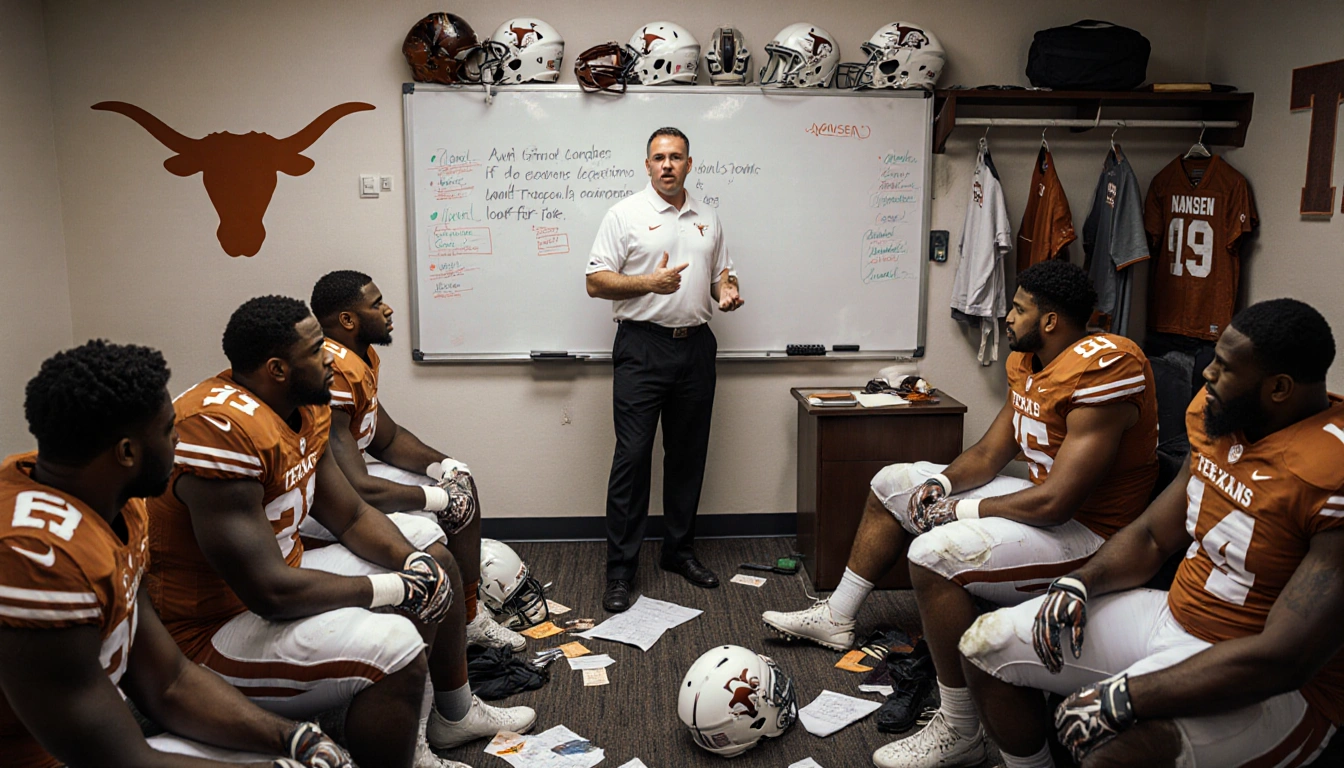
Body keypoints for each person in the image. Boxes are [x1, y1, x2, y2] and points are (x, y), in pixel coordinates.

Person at [761, 260, 1159, 768]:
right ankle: (838, 617)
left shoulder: (1108, 365)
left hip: (1092, 534)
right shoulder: (1032, 362)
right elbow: (990, 454)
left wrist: (961, 509)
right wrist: (941, 485)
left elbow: (1059, 502)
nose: (1009, 318)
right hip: (1042, 505)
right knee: (893, 482)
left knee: (931, 554)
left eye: (1019, 309)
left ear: (1052, 320)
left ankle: (959, 728)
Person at [146, 296, 534, 768]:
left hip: (278, 572)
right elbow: (269, 592)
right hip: (212, 628)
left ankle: (452, 716)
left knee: (436, 563)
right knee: (399, 650)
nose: (329, 356)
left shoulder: (301, 405)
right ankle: (406, 753)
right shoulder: (219, 431)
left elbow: (348, 515)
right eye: (315, 350)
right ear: (277, 369)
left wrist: (411, 566)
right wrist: (392, 587)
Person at [960, 298, 1344, 768]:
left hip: (1271, 678)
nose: (1206, 376)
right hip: (1174, 615)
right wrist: (1082, 581)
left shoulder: (1332, 474)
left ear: (1279, 388)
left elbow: (1284, 658)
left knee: (1112, 748)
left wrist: (1126, 695)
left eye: (1224, 369)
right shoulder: (1225, 418)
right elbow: (1152, 537)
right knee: (985, 645)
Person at [0, 340, 352, 768]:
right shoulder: (36, 558)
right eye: (169, 429)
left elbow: (168, 680)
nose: (180, 437)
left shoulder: (110, 495)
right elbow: (120, 759)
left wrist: (292, 738)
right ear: (128, 453)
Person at [308, 270, 524, 652]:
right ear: (347, 320)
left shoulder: (361, 356)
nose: (388, 310)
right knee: (441, 527)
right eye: (376, 304)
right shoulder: (333, 368)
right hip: (321, 501)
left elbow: (385, 437)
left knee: (463, 482)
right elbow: (355, 487)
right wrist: (439, 498)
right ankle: (456, 628)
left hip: (350, 478)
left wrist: (447, 467)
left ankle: (470, 615)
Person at [585, 126, 744, 613]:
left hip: (695, 350)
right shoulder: (624, 214)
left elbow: (723, 272)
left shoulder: (708, 217)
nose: (668, 165)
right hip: (642, 349)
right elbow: (595, 282)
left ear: (689, 164)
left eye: (677, 157)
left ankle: (678, 553)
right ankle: (620, 572)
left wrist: (727, 291)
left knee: (687, 457)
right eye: (659, 157)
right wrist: (648, 282)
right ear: (647, 164)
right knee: (632, 460)